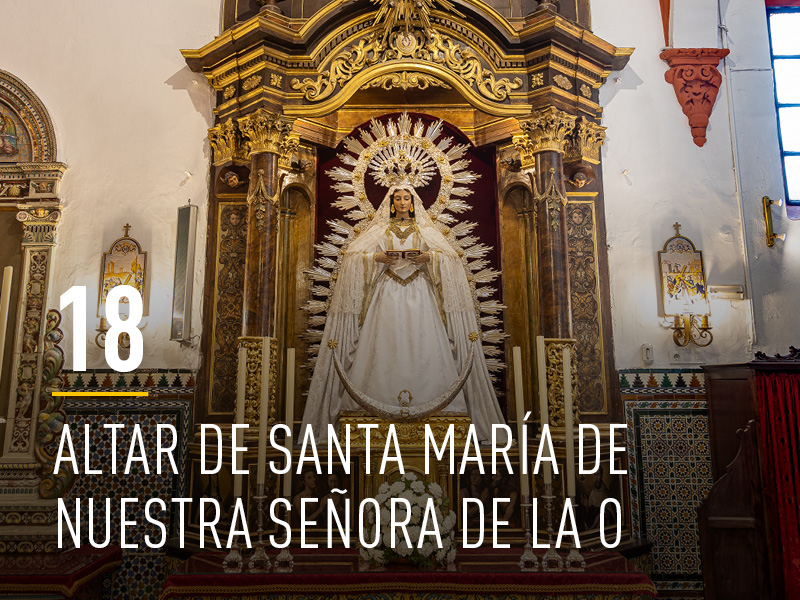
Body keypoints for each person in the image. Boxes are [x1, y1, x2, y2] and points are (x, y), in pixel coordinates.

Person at [300, 185, 506, 442]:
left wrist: (429, 257)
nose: (401, 202)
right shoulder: (380, 230)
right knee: (385, 344)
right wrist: (376, 258)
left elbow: (451, 259)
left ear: (413, 202)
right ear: (391, 202)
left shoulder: (424, 230)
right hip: (386, 296)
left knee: (423, 344)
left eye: (406, 198)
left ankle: (437, 411)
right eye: (397, 198)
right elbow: (352, 258)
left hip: (421, 296)